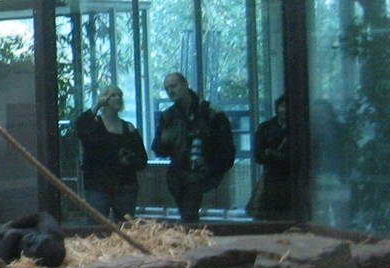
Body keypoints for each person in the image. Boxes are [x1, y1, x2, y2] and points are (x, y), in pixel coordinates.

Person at [152, 71, 235, 224]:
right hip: (179, 175)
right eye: (167, 88)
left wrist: (211, 168)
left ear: (185, 84)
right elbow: (158, 150)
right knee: (188, 214)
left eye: (174, 86)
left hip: (204, 173)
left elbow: (227, 150)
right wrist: (165, 140)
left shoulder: (211, 113)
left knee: (189, 214)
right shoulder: (168, 116)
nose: (170, 91)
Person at [73, 85, 148, 222]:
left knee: (125, 226)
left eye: (120, 95)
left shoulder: (129, 128)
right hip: (98, 185)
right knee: (96, 226)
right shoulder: (94, 125)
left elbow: (142, 159)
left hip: (125, 185)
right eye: (113, 95)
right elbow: (79, 126)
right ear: (104, 99)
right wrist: (97, 105)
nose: (118, 98)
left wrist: (129, 160)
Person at [247, 95, 293, 219]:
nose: (285, 110)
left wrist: (271, 154)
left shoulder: (298, 129)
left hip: (290, 182)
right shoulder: (265, 128)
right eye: (283, 106)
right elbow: (258, 155)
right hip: (272, 181)